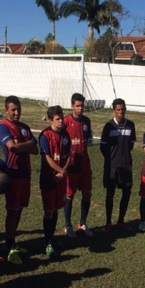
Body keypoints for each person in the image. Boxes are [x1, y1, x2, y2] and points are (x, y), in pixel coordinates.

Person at [0, 95, 39, 264]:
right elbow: (12, 148)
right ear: (6, 110)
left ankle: (13, 240)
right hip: (12, 174)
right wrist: (28, 143)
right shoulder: (3, 127)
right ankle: (9, 244)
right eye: (13, 110)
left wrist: (25, 144)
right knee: (12, 210)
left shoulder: (24, 127)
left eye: (18, 109)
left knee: (20, 209)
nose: (16, 113)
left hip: (25, 173)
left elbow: (36, 151)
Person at [39, 106, 72, 257]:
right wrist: (60, 171)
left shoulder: (66, 135)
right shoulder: (45, 135)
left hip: (60, 179)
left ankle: (52, 238)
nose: (61, 121)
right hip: (48, 179)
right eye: (57, 119)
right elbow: (47, 158)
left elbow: (69, 155)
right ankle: (47, 242)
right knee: (48, 211)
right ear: (51, 120)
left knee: (57, 208)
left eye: (62, 118)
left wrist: (63, 171)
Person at [100, 98, 136, 232]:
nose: (121, 112)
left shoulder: (130, 125)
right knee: (110, 194)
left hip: (126, 165)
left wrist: (123, 156)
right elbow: (103, 147)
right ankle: (108, 222)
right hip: (112, 166)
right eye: (118, 110)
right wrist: (112, 159)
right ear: (114, 111)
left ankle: (121, 221)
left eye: (123, 109)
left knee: (126, 193)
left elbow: (131, 144)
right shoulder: (108, 126)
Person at [63, 93, 94, 237]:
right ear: (72, 106)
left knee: (87, 194)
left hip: (85, 164)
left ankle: (82, 223)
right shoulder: (66, 122)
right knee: (69, 196)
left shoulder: (87, 121)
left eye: (82, 106)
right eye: (78, 106)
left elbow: (88, 140)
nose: (80, 108)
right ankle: (68, 226)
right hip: (72, 165)